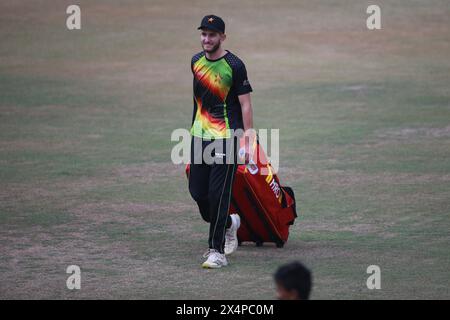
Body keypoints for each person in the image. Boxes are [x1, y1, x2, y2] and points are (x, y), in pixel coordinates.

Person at [188, 15, 254, 269]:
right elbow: (197, 101)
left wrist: (247, 140)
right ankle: (229, 223)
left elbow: (245, 104)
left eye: (212, 34)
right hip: (198, 136)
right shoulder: (195, 62)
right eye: (203, 34)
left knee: (218, 195)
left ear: (222, 37)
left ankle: (216, 252)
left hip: (226, 138)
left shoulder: (235, 65)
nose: (207, 39)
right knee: (198, 194)